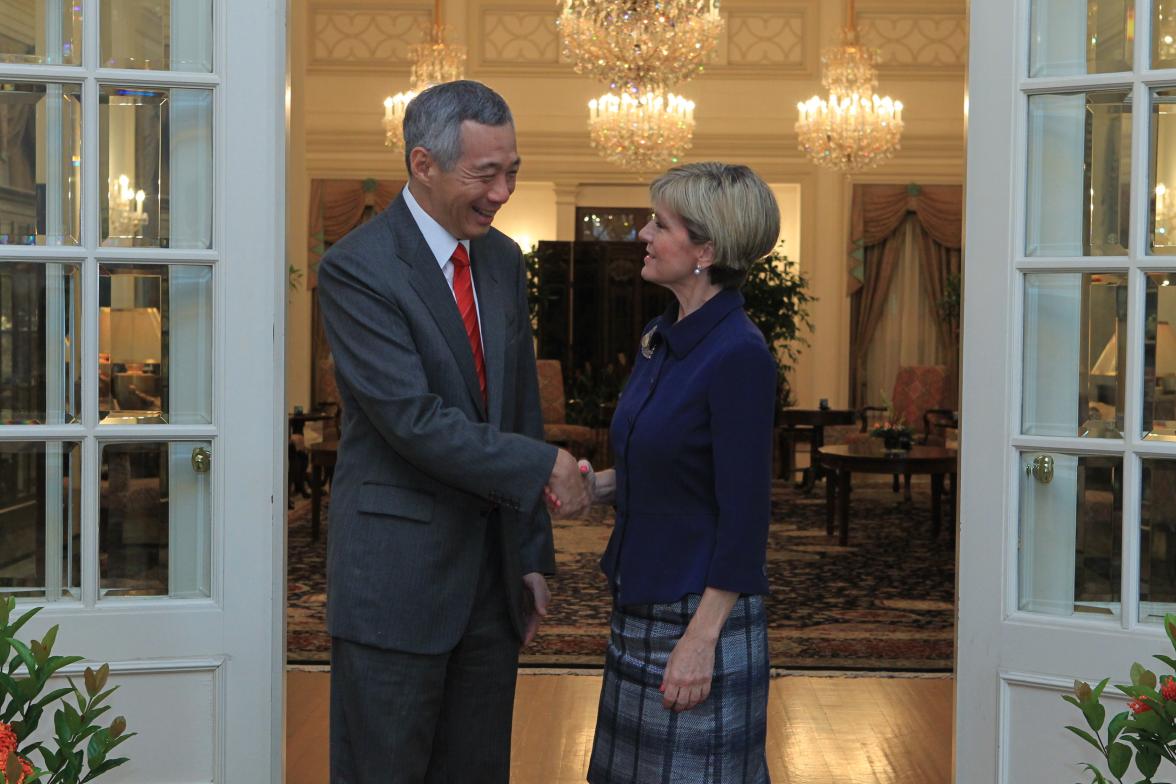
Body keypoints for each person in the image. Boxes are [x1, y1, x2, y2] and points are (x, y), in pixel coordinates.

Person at [315, 80, 589, 784]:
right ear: (423, 165)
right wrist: (542, 467)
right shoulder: (357, 268)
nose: (503, 192)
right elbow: (413, 420)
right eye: (486, 174)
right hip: (395, 584)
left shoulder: (500, 260)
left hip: (491, 585)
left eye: (513, 170)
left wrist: (530, 553)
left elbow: (518, 403)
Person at [581, 162, 779, 783]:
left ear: (706, 251)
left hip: (697, 615)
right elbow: (671, 466)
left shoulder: (740, 355)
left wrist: (701, 642)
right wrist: (595, 486)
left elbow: (745, 515)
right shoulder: (660, 336)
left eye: (659, 224)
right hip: (638, 602)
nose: (641, 233)